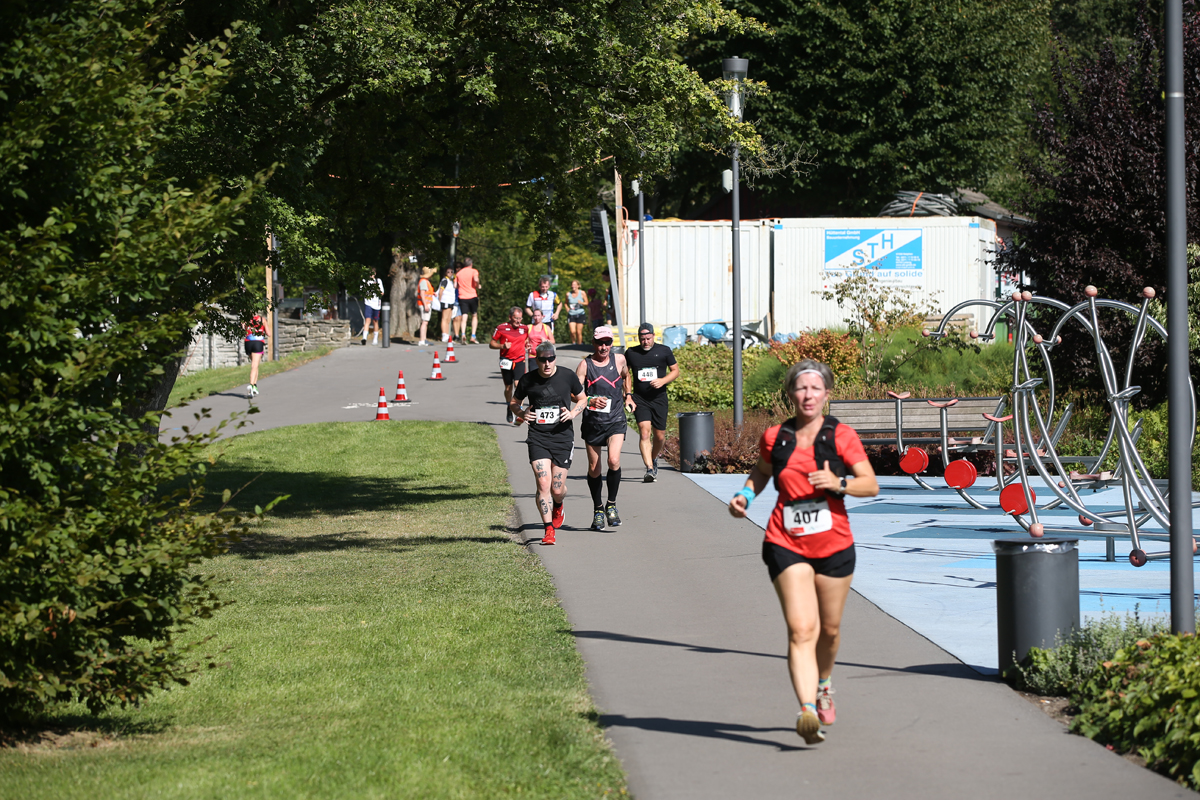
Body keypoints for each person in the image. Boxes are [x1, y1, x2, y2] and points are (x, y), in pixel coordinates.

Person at [727, 359, 879, 745]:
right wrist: (745, 495)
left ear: (827, 394)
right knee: (800, 629)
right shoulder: (775, 436)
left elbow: (870, 485)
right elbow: (762, 472)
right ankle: (807, 709)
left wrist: (838, 482)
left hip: (834, 545)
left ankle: (824, 683)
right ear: (790, 393)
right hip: (785, 540)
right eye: (801, 388)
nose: (808, 395)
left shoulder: (842, 436)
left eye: (815, 388)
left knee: (828, 630)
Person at [511, 342, 586, 546]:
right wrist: (522, 413)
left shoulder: (567, 376)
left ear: (555, 358)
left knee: (556, 488)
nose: (547, 363)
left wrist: (572, 413)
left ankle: (559, 504)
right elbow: (513, 403)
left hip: (562, 437)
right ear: (537, 360)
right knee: (543, 483)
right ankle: (548, 530)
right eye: (543, 359)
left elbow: (582, 399)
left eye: (550, 359)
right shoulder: (528, 379)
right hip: (538, 437)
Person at [575, 326, 633, 531]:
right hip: (592, 422)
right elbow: (575, 393)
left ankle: (612, 505)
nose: (604, 346)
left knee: (614, 460)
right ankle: (598, 509)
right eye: (600, 342)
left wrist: (628, 395)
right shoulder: (585, 365)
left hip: (616, 419)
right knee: (594, 468)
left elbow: (626, 376)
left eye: (607, 342)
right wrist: (590, 400)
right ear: (594, 343)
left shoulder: (619, 360)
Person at [624, 322, 679, 481]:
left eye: (648, 338)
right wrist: (628, 395)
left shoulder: (664, 351)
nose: (645, 342)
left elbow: (675, 371)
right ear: (638, 338)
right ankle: (649, 468)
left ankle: (653, 459)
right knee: (644, 431)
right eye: (642, 339)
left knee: (660, 436)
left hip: (659, 398)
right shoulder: (631, 353)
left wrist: (663, 381)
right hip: (640, 399)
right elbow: (626, 374)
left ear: (653, 336)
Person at [491, 306, 528, 424]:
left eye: (520, 318)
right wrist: (502, 346)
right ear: (510, 317)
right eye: (516, 318)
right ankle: (509, 406)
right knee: (508, 387)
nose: (518, 321)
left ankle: (519, 411)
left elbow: (526, 340)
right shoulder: (501, 328)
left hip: (520, 360)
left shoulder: (525, 328)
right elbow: (491, 344)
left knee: (519, 385)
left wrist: (527, 345)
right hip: (506, 360)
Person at [455, 257, 482, 343]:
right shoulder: (474, 271)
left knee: (464, 316)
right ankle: (473, 336)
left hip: (462, 296)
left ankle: (463, 334)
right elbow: (476, 279)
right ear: (471, 264)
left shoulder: (459, 273)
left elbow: (455, 285)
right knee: (474, 315)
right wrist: (478, 285)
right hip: (472, 295)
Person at [244, 313, 268, 397]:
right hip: (258, 342)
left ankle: (254, 385)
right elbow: (269, 333)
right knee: (254, 365)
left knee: (255, 364)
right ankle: (251, 385)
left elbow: (243, 329)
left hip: (248, 343)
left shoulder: (246, 320)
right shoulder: (262, 319)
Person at [437, 265, 457, 342]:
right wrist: (440, 300)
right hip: (445, 301)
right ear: (445, 272)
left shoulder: (451, 281)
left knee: (448, 319)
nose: (450, 273)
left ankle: (447, 334)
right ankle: (444, 335)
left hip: (451, 302)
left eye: (451, 272)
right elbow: (441, 291)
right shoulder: (444, 280)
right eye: (448, 272)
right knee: (444, 318)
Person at [416, 265, 436, 345]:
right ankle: (422, 340)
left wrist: (433, 293)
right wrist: (425, 305)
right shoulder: (423, 281)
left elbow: (427, 292)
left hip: (426, 303)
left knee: (425, 321)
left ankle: (424, 339)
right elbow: (422, 293)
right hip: (424, 304)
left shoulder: (425, 281)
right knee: (424, 322)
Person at [565, 280, 589, 345]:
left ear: (578, 286)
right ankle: (573, 343)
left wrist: (581, 303)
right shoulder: (568, 294)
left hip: (580, 314)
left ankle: (579, 344)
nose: (573, 286)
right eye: (572, 285)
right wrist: (567, 308)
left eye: (575, 285)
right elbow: (565, 303)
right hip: (571, 314)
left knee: (579, 332)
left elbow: (587, 303)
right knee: (572, 331)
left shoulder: (582, 293)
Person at [362, 276, 384, 345]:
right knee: (367, 320)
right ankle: (364, 338)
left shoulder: (378, 281)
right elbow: (362, 291)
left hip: (376, 305)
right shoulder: (365, 280)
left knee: (375, 321)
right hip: (368, 303)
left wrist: (376, 288)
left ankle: (375, 338)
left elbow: (382, 293)